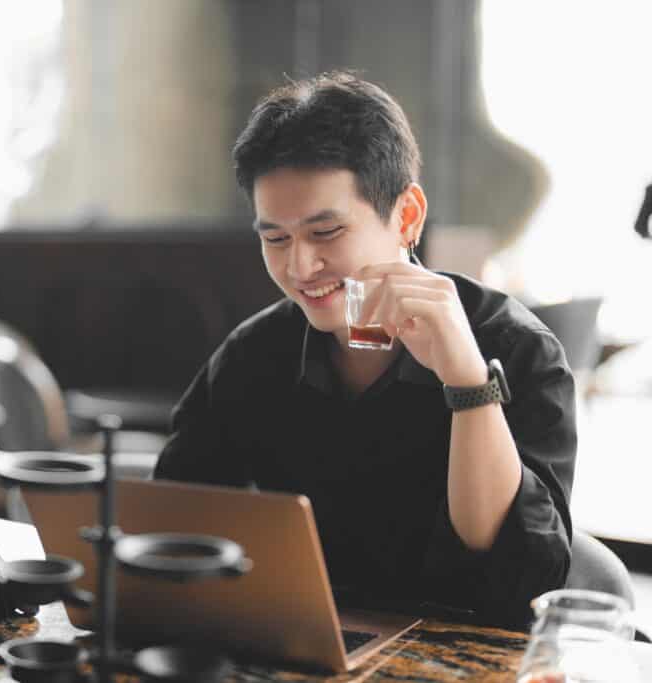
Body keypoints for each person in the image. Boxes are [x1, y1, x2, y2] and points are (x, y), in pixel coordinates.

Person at [154, 72, 576, 629]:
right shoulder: (254, 355)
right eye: (275, 238)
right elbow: (170, 529)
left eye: (325, 233)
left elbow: (526, 581)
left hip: (468, 650)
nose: (300, 267)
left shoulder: (518, 349)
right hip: (306, 644)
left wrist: (468, 381)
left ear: (406, 216)